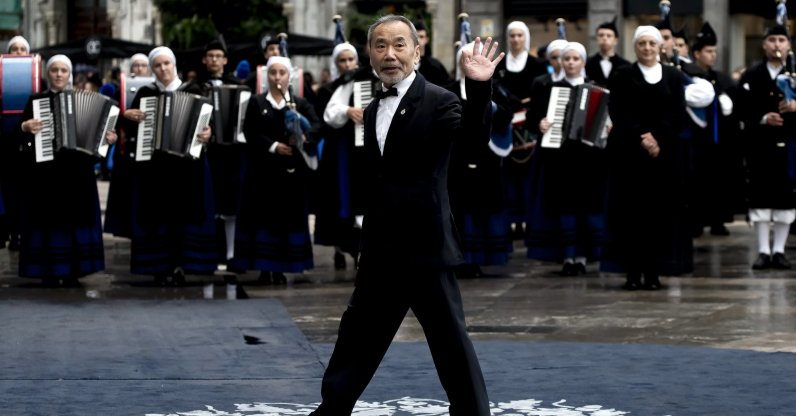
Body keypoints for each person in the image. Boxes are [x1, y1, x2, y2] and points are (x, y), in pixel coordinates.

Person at [309, 15, 503, 415]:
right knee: (357, 336)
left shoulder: (440, 100)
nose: (390, 54)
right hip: (381, 248)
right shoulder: (371, 108)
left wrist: (479, 87)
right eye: (380, 45)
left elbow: (471, 145)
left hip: (427, 247)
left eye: (399, 44)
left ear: (417, 51)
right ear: (369, 54)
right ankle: (332, 410)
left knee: (450, 344)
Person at [602, 26, 690, 290]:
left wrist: (658, 139)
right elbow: (619, 111)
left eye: (652, 43)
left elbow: (678, 113)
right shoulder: (622, 74)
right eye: (642, 43)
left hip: (663, 155)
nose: (648, 48)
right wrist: (642, 136)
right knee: (631, 215)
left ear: (660, 46)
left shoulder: (673, 76)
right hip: (630, 153)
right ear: (635, 46)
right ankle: (632, 273)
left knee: (658, 215)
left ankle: (653, 273)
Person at [17, 54, 116, 286]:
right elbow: (19, 138)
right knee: (46, 222)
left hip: (77, 173)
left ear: (69, 74)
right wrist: (25, 127)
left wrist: (107, 140)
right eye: (54, 70)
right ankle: (47, 271)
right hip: (45, 174)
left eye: (63, 70)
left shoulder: (85, 99)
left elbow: (98, 143)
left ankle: (74, 271)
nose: (59, 74)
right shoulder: (36, 101)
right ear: (47, 74)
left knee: (75, 220)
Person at [122, 46, 216, 285]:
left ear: (174, 65)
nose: (163, 69)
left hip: (187, 167)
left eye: (166, 64)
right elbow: (133, 129)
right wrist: (128, 117)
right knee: (157, 217)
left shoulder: (194, 90)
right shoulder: (146, 93)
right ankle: (159, 266)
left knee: (184, 216)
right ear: (152, 69)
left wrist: (208, 133)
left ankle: (182, 265)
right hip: (155, 167)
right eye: (157, 65)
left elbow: (208, 124)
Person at [231, 55, 318, 284]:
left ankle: (281, 268)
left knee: (286, 220)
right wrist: (273, 146)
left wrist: (303, 135)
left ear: (289, 76)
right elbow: (250, 131)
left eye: (282, 73)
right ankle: (264, 268)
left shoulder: (299, 104)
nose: (277, 77)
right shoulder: (257, 102)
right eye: (273, 73)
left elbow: (317, 126)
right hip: (263, 173)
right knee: (263, 220)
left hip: (291, 175)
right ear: (266, 76)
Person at [528, 42, 607, 276]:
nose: (571, 63)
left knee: (585, 207)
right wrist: (540, 124)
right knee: (563, 207)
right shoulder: (549, 88)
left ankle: (582, 257)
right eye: (567, 59)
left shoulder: (596, 89)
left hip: (588, 159)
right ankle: (567, 256)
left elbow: (605, 121)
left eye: (575, 59)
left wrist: (606, 126)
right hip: (559, 158)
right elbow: (533, 118)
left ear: (583, 62)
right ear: (561, 62)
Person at [447, 41, 513, 278]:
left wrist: (488, 103)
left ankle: (482, 258)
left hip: (487, 160)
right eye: (466, 59)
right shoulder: (448, 90)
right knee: (459, 210)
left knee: (484, 208)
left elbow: (507, 114)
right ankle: (460, 261)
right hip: (457, 161)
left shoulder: (497, 88)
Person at [182, 38, 247, 270]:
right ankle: (207, 252)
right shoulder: (193, 87)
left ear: (225, 60)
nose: (214, 60)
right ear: (204, 60)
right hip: (204, 153)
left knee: (230, 203)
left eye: (218, 56)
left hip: (231, 153)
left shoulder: (239, 86)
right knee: (207, 203)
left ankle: (230, 254)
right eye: (210, 56)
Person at [738, 24, 796, 270]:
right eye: (772, 40)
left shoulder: (794, 73)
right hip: (760, 146)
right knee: (761, 196)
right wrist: (762, 118)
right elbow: (741, 108)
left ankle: (779, 250)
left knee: (786, 197)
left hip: (789, 144)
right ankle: (763, 250)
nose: (776, 45)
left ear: (788, 44)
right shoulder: (752, 75)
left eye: (781, 40)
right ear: (764, 44)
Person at [493, 21, 548, 239]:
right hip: (504, 125)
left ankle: (529, 220)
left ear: (526, 38)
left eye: (519, 35)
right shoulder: (500, 64)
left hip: (530, 127)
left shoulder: (537, 65)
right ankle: (512, 221)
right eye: (512, 35)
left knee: (529, 175)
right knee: (508, 175)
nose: (516, 39)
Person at [687, 22, 743, 237]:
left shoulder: (722, 78)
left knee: (719, 181)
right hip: (698, 139)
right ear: (697, 53)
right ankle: (697, 221)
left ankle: (718, 220)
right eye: (708, 51)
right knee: (697, 181)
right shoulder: (689, 74)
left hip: (720, 141)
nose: (713, 55)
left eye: (714, 51)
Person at [315, 42, 365, 270]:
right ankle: (339, 248)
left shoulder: (366, 82)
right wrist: (347, 111)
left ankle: (360, 250)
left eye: (350, 59)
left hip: (361, 151)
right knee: (338, 198)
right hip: (338, 150)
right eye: (342, 61)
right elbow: (324, 120)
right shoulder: (328, 90)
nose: (347, 64)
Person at [1, 35, 33, 251]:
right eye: (15, 49)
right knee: (10, 191)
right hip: (6, 146)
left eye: (23, 49)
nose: (19, 53)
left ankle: (25, 232)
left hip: (31, 147)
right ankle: (12, 232)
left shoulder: (36, 79)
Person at [585, 17, 630, 87]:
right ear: (597, 39)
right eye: (601, 35)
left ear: (616, 40)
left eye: (609, 36)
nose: (604, 38)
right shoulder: (587, 63)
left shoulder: (626, 65)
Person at [413, 19, 451, 86]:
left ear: (427, 39)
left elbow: (447, 86)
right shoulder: (404, 63)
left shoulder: (435, 66)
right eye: (416, 37)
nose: (418, 40)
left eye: (421, 37)